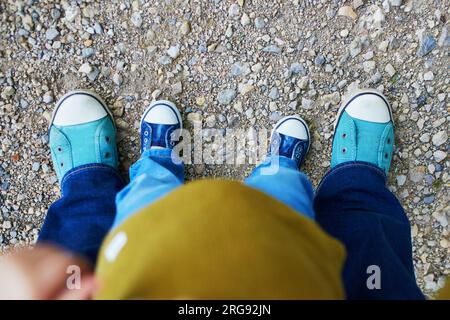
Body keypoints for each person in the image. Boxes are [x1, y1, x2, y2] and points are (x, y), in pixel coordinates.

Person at [0, 88, 443, 299]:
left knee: (88, 235)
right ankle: (331, 175)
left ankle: (129, 170)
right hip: (298, 272)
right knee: (366, 246)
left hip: (133, 266)